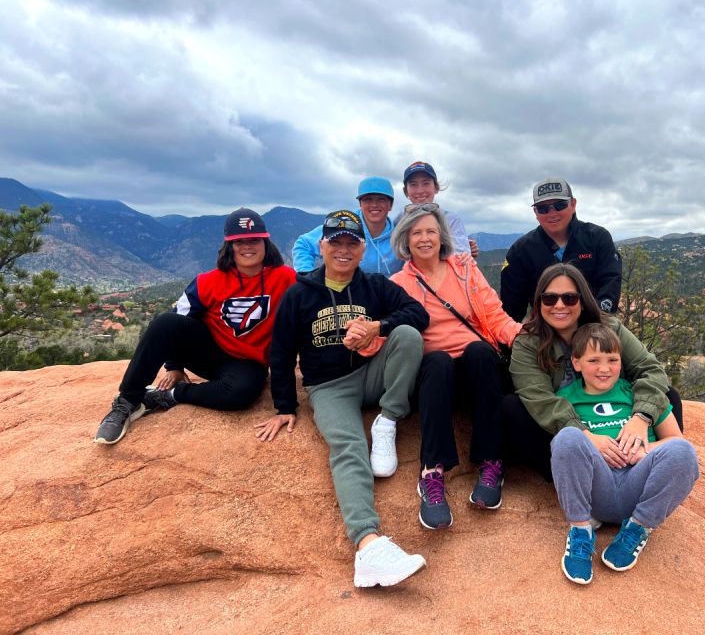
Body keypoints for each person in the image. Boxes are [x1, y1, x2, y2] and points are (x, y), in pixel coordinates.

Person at [258, 209, 429, 587]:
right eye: (335, 241)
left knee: (407, 336)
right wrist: (285, 406)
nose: (343, 249)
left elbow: (417, 314)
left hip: (371, 376)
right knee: (348, 447)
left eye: (351, 242)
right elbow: (281, 352)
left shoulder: (373, 285)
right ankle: (368, 545)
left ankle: (388, 421)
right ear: (322, 246)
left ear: (362, 248)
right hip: (329, 387)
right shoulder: (300, 294)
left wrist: (376, 326)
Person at [94, 208, 297, 445]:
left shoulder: (286, 279)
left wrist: (286, 406)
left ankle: (168, 396)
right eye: (239, 241)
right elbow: (177, 322)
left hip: (248, 363)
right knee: (164, 322)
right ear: (229, 246)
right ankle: (128, 400)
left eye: (254, 240)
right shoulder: (208, 282)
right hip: (209, 353)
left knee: (243, 393)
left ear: (265, 243)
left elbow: (294, 331)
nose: (247, 246)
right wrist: (174, 366)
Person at [390, 204, 521, 530]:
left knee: (479, 351)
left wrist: (524, 338)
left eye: (430, 231)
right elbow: (389, 334)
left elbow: (495, 315)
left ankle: (492, 462)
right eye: (416, 232)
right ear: (405, 239)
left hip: (478, 372)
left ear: (441, 236)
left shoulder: (465, 270)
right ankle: (432, 474)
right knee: (437, 360)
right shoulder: (396, 284)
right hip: (435, 379)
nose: (424, 238)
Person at [552, 322, 699, 585]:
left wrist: (644, 451)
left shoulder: (638, 394)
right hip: (597, 490)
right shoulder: (564, 399)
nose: (604, 368)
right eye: (594, 360)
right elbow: (567, 455)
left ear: (622, 361)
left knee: (683, 452)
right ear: (576, 363)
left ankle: (637, 529)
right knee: (566, 438)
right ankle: (580, 531)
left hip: (639, 488)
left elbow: (676, 440)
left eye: (612, 359)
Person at [502, 263, 672, 481]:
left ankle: (643, 466)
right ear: (539, 302)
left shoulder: (608, 328)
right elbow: (539, 399)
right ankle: (569, 477)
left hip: (612, 418)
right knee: (512, 408)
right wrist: (586, 437)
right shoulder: (527, 343)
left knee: (667, 396)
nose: (559, 305)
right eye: (550, 298)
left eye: (570, 298)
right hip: (565, 433)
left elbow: (650, 369)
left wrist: (642, 417)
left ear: (583, 301)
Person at [500, 177, 621, 320]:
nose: (552, 213)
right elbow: (511, 308)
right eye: (543, 208)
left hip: (595, 325)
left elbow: (610, 285)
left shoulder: (598, 238)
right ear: (535, 212)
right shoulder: (520, 251)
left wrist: (593, 324)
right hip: (545, 331)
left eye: (560, 205)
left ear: (573, 204)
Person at [292, 177, 402, 276]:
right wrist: (306, 275)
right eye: (367, 199)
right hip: (348, 294)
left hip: (387, 296)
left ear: (390, 205)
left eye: (381, 199)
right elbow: (304, 244)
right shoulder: (344, 225)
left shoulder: (400, 236)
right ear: (360, 204)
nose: (374, 205)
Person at [398, 161, 477, 257]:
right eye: (413, 184)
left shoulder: (452, 220)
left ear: (435, 187)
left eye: (426, 183)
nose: (420, 190)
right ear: (406, 191)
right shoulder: (400, 219)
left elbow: (461, 259)